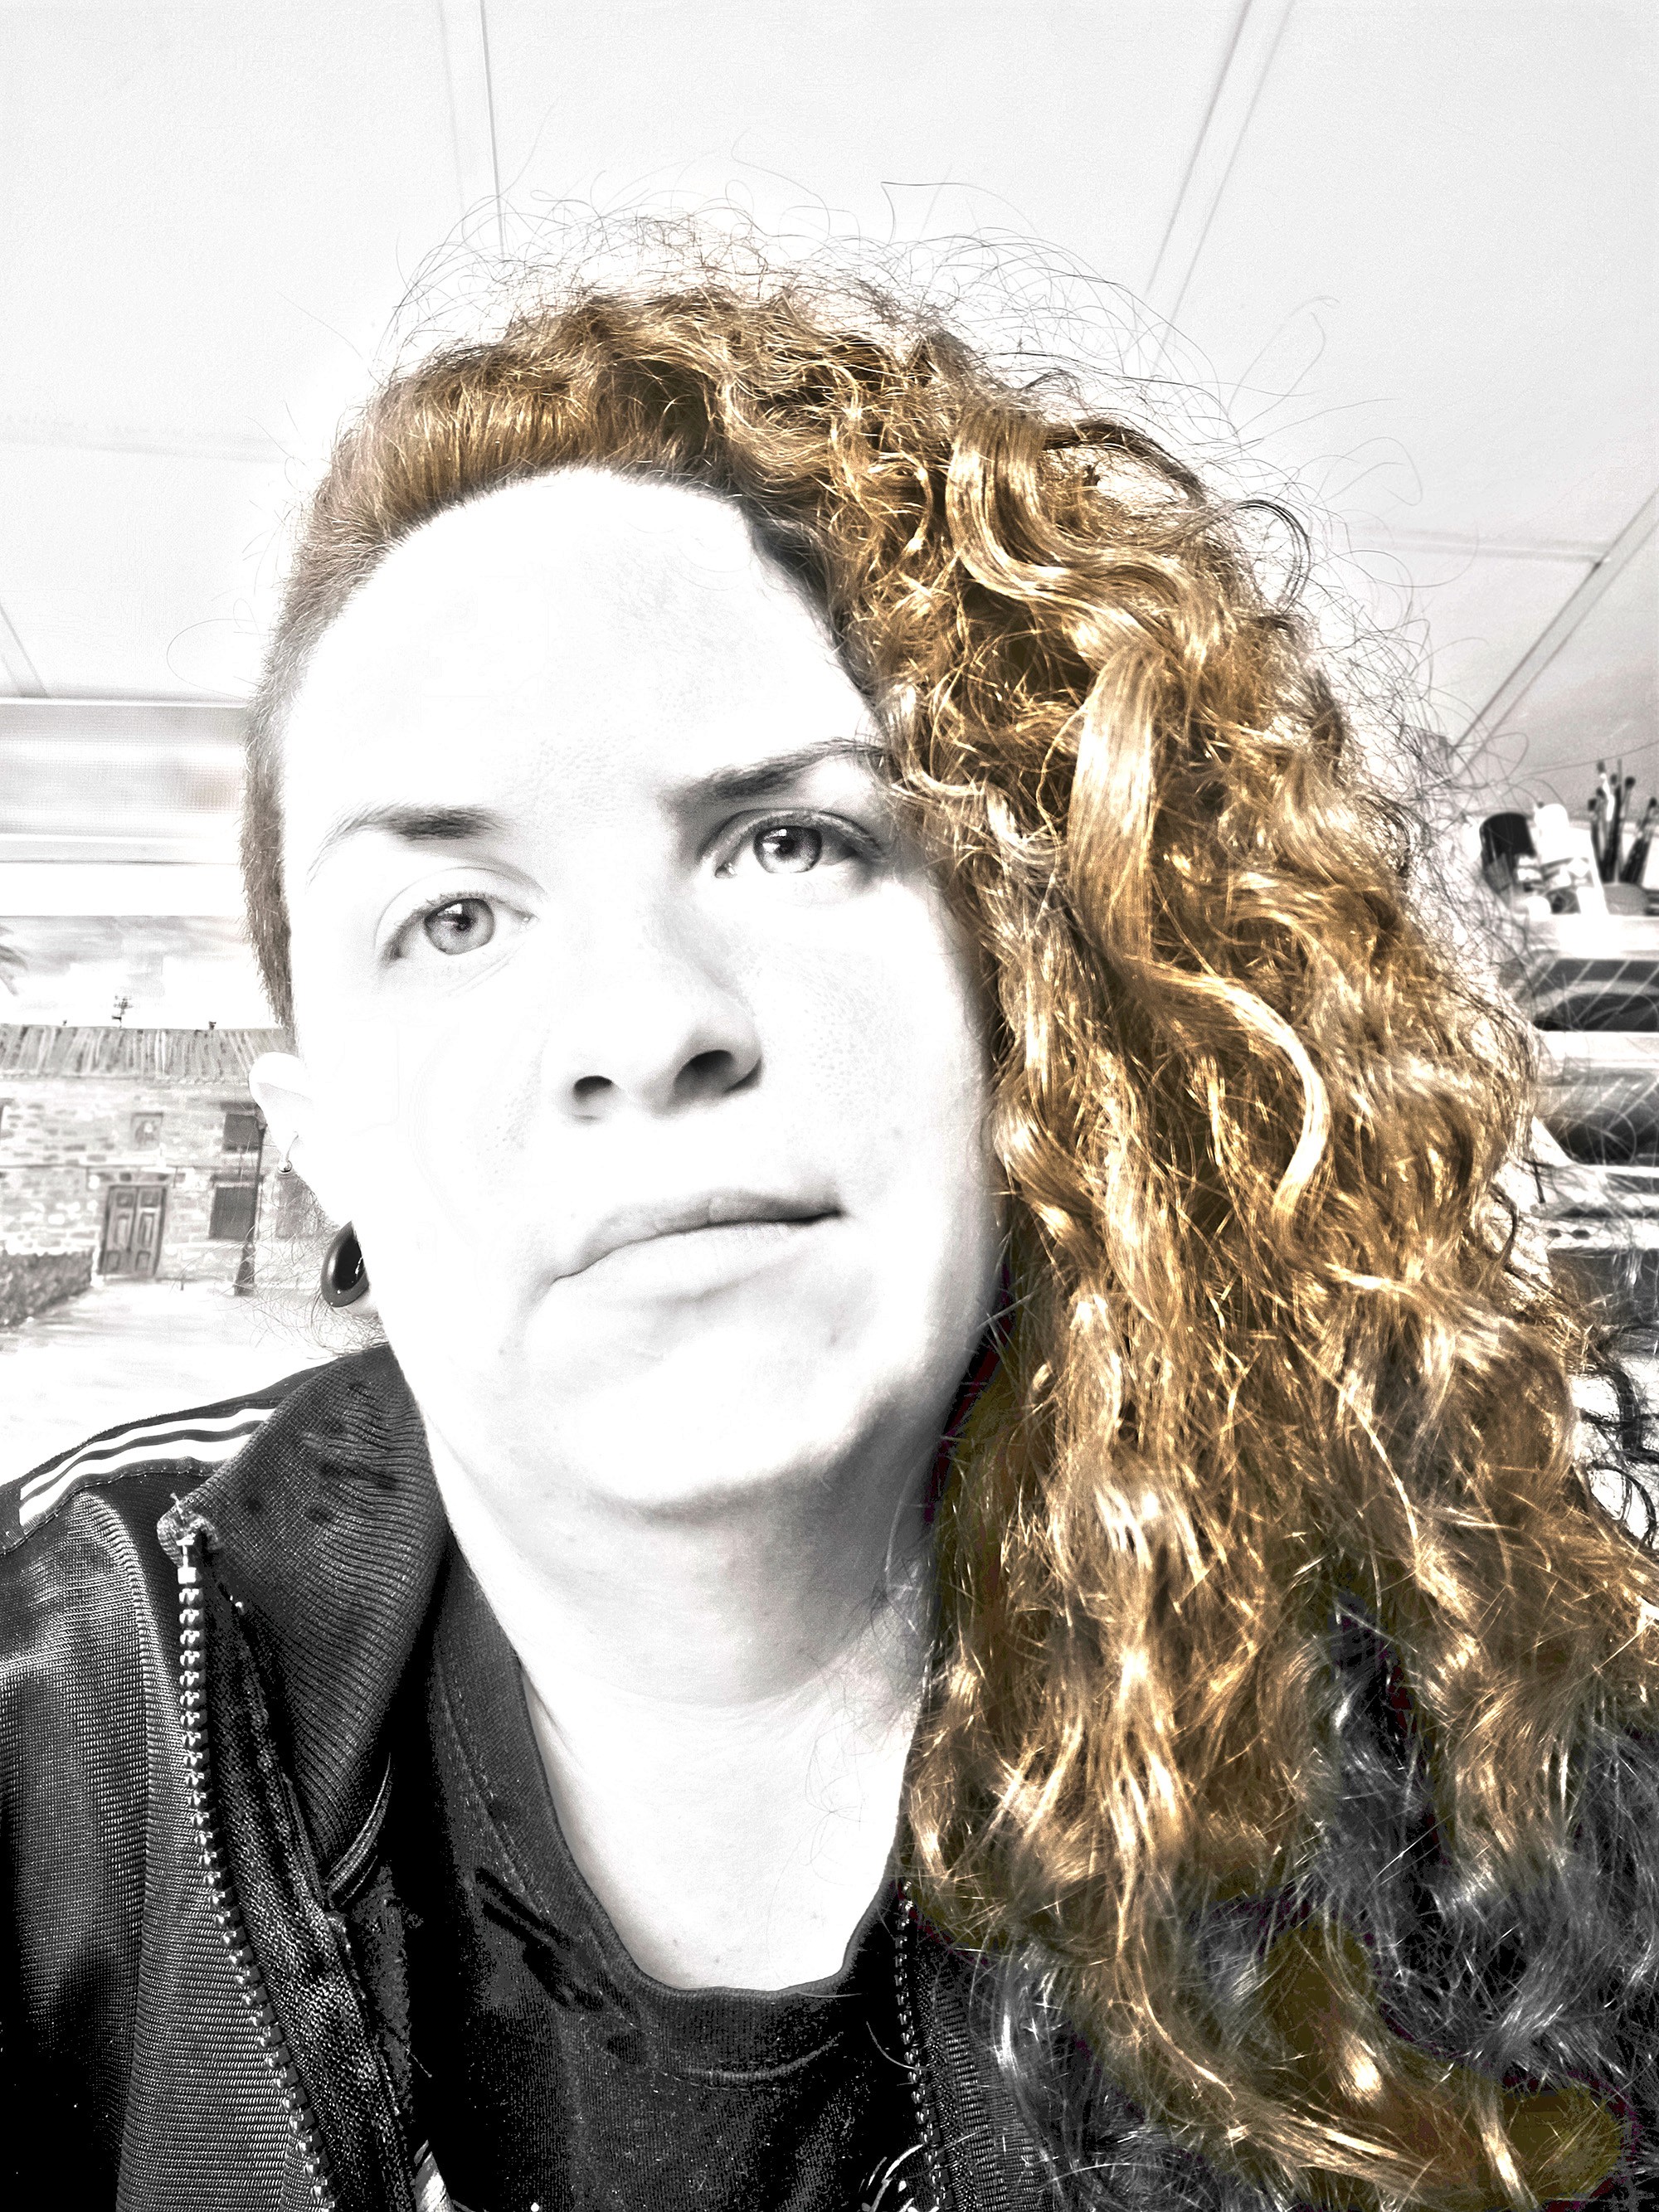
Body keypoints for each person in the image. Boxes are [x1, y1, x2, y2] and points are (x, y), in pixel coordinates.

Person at [4, 238, 1658, 2212]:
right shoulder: (70, 1722)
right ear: (321, 1144)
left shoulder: (1506, 1793)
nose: (642, 1023)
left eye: (788, 837)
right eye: (449, 917)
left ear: (1021, 990)